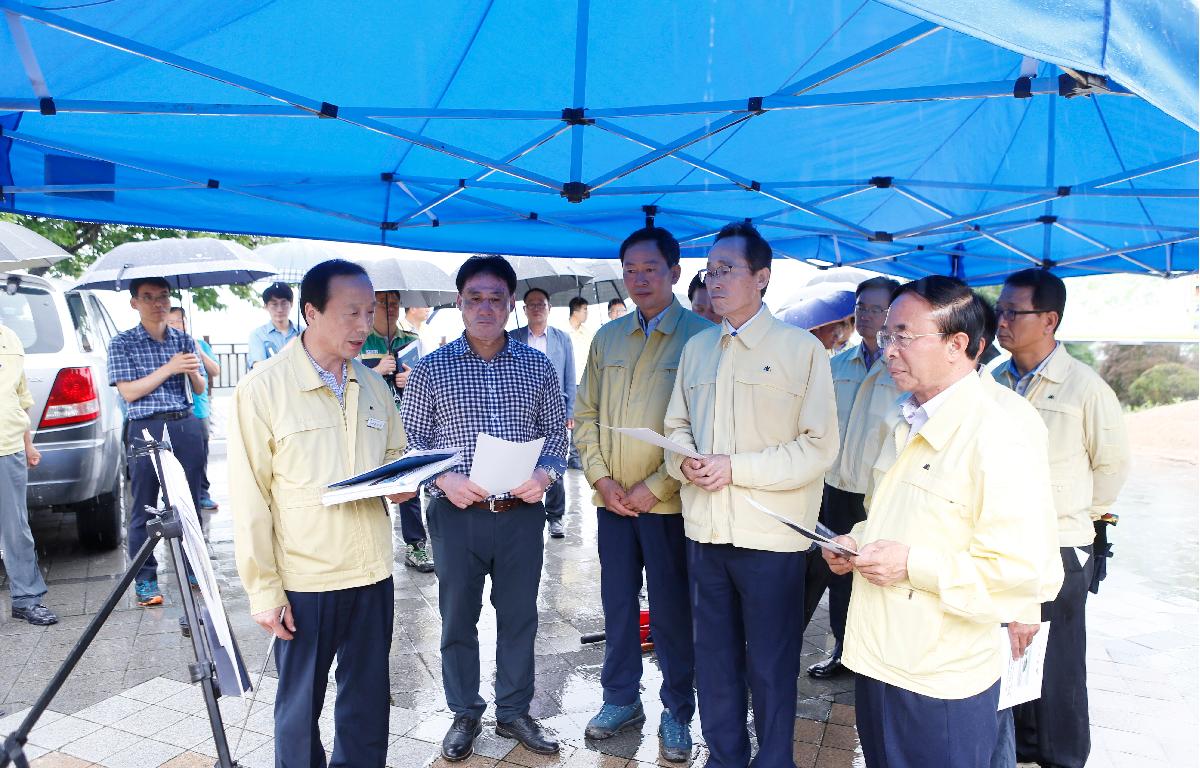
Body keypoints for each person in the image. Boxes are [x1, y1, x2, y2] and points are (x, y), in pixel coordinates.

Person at [825, 276, 1055, 768]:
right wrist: (856, 540)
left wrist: (912, 566)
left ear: (958, 345)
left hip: (940, 672)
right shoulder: (906, 415)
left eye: (904, 336)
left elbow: (1017, 568)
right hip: (881, 655)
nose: (889, 349)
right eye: (887, 334)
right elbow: (893, 513)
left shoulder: (1000, 429)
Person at [663, 222, 838, 768]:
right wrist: (687, 462)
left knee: (770, 663)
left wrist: (734, 468)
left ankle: (775, 759)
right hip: (708, 533)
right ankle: (725, 757)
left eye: (727, 270)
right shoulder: (697, 349)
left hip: (772, 540)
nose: (714, 280)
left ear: (761, 278)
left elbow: (817, 448)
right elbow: (675, 427)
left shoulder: (801, 349)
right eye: (709, 271)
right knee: (713, 661)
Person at [229, 260, 412, 767]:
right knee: (298, 706)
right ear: (310, 312)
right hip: (306, 578)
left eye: (369, 312)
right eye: (350, 312)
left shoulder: (374, 386)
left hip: (372, 572)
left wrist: (405, 484)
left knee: (368, 702)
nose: (364, 325)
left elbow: (396, 458)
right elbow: (250, 499)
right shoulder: (263, 389)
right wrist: (264, 590)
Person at [401, 255, 568, 761]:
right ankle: (464, 711)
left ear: (511, 304)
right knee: (457, 618)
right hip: (457, 517)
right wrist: (442, 478)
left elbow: (557, 440)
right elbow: (412, 443)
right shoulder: (432, 368)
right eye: (475, 298)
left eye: (497, 298)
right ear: (459, 302)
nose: (486, 308)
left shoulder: (537, 365)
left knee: (519, 617)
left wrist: (544, 475)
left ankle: (515, 709)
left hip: (519, 516)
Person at [574, 227, 713, 761]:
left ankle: (678, 710)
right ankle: (620, 698)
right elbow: (585, 415)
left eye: (650, 268)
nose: (639, 278)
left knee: (674, 612)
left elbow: (705, 431)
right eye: (630, 268)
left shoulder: (701, 338)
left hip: (670, 508)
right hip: (613, 505)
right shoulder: (607, 339)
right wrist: (601, 479)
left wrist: (655, 488)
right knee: (617, 605)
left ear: (675, 272)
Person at [992, 268, 1130, 768]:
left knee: (1061, 665)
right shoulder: (994, 381)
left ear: (1049, 320)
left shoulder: (1083, 388)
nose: (1002, 321)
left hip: (1062, 546)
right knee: (1016, 651)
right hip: (1005, 545)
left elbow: (1111, 467)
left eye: (1014, 312)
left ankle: (1065, 757)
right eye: (1000, 310)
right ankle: (1027, 745)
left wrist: (1080, 525)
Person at [968, 291, 1065, 768]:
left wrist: (1025, 604)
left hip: (1006, 578)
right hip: (960, 583)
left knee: (998, 704)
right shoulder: (918, 410)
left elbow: (1037, 515)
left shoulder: (1009, 413)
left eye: (908, 335)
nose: (893, 348)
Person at [804, 276, 901, 679]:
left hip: (873, 494)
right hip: (832, 488)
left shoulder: (900, 369)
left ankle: (856, 654)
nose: (866, 316)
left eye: (876, 309)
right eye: (861, 307)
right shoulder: (837, 364)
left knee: (860, 580)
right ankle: (834, 649)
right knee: (821, 570)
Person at [107, 277, 207, 608]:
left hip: (184, 423)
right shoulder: (122, 343)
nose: (157, 303)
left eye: (163, 296)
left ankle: (194, 568)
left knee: (189, 503)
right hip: (145, 427)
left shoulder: (183, 339)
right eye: (148, 297)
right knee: (144, 506)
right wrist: (170, 367)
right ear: (135, 302)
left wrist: (192, 371)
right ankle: (145, 579)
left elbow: (200, 389)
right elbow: (129, 392)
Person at [360, 289, 435, 573]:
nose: (389, 308)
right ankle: (368, 547)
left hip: (406, 424)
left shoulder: (411, 340)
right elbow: (350, 380)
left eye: (394, 302)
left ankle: (415, 546)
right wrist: (376, 370)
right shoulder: (360, 341)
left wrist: (411, 379)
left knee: (409, 485)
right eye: (382, 302)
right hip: (370, 426)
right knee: (370, 484)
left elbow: (427, 383)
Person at [0, 321, 56, 625]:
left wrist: (28, 444)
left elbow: (19, 399)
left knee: (16, 530)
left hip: (8, 446)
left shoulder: (9, 338)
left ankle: (26, 599)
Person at [510, 288, 576, 539]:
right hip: (522, 410)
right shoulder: (513, 337)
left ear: (549, 308)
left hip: (555, 408)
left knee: (554, 464)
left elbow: (570, 376)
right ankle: (524, 512)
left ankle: (556, 517)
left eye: (541, 303)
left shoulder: (562, 339)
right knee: (524, 463)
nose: (536, 308)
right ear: (524, 309)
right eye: (531, 304)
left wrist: (570, 411)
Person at [167, 307, 221, 511]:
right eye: (171, 322)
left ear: (186, 322)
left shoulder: (199, 344)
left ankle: (202, 493)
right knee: (177, 455)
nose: (175, 325)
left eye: (179, 321)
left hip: (200, 408)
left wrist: (198, 352)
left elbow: (215, 370)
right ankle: (175, 496)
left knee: (201, 454)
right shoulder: (170, 347)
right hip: (180, 410)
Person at [565, 296, 592, 470]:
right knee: (564, 419)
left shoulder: (587, 333)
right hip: (567, 381)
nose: (586, 314)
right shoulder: (563, 332)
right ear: (575, 311)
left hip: (583, 381)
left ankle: (575, 456)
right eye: (584, 310)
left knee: (580, 420)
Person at [247, 281, 300, 368]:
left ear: (291, 304)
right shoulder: (257, 335)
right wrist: (287, 349)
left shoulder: (304, 331)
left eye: (284, 303)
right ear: (265, 306)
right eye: (274, 304)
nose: (279, 309)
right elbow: (257, 366)